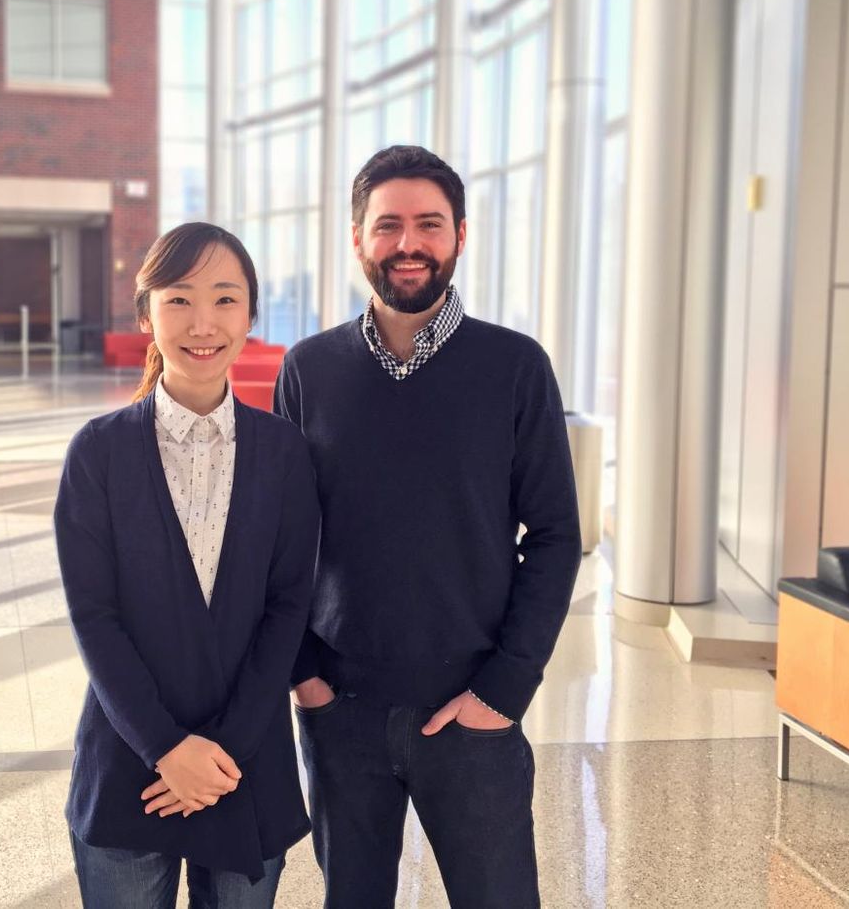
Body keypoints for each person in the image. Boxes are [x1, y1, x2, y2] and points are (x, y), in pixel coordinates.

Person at [275, 145, 583, 909]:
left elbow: (552, 535)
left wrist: (504, 690)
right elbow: (280, 540)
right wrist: (306, 676)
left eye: (428, 224)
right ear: (357, 240)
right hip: (340, 714)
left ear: (460, 236)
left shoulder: (514, 367)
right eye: (388, 226)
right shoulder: (309, 371)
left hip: (473, 714)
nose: (408, 244)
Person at [55, 222, 320, 909]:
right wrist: (167, 749)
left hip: (246, 764)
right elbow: (94, 617)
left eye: (225, 299)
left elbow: (288, 607)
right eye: (179, 299)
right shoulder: (99, 453)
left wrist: (220, 754)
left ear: (251, 316)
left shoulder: (285, 453)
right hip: (129, 764)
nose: (203, 322)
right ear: (146, 315)